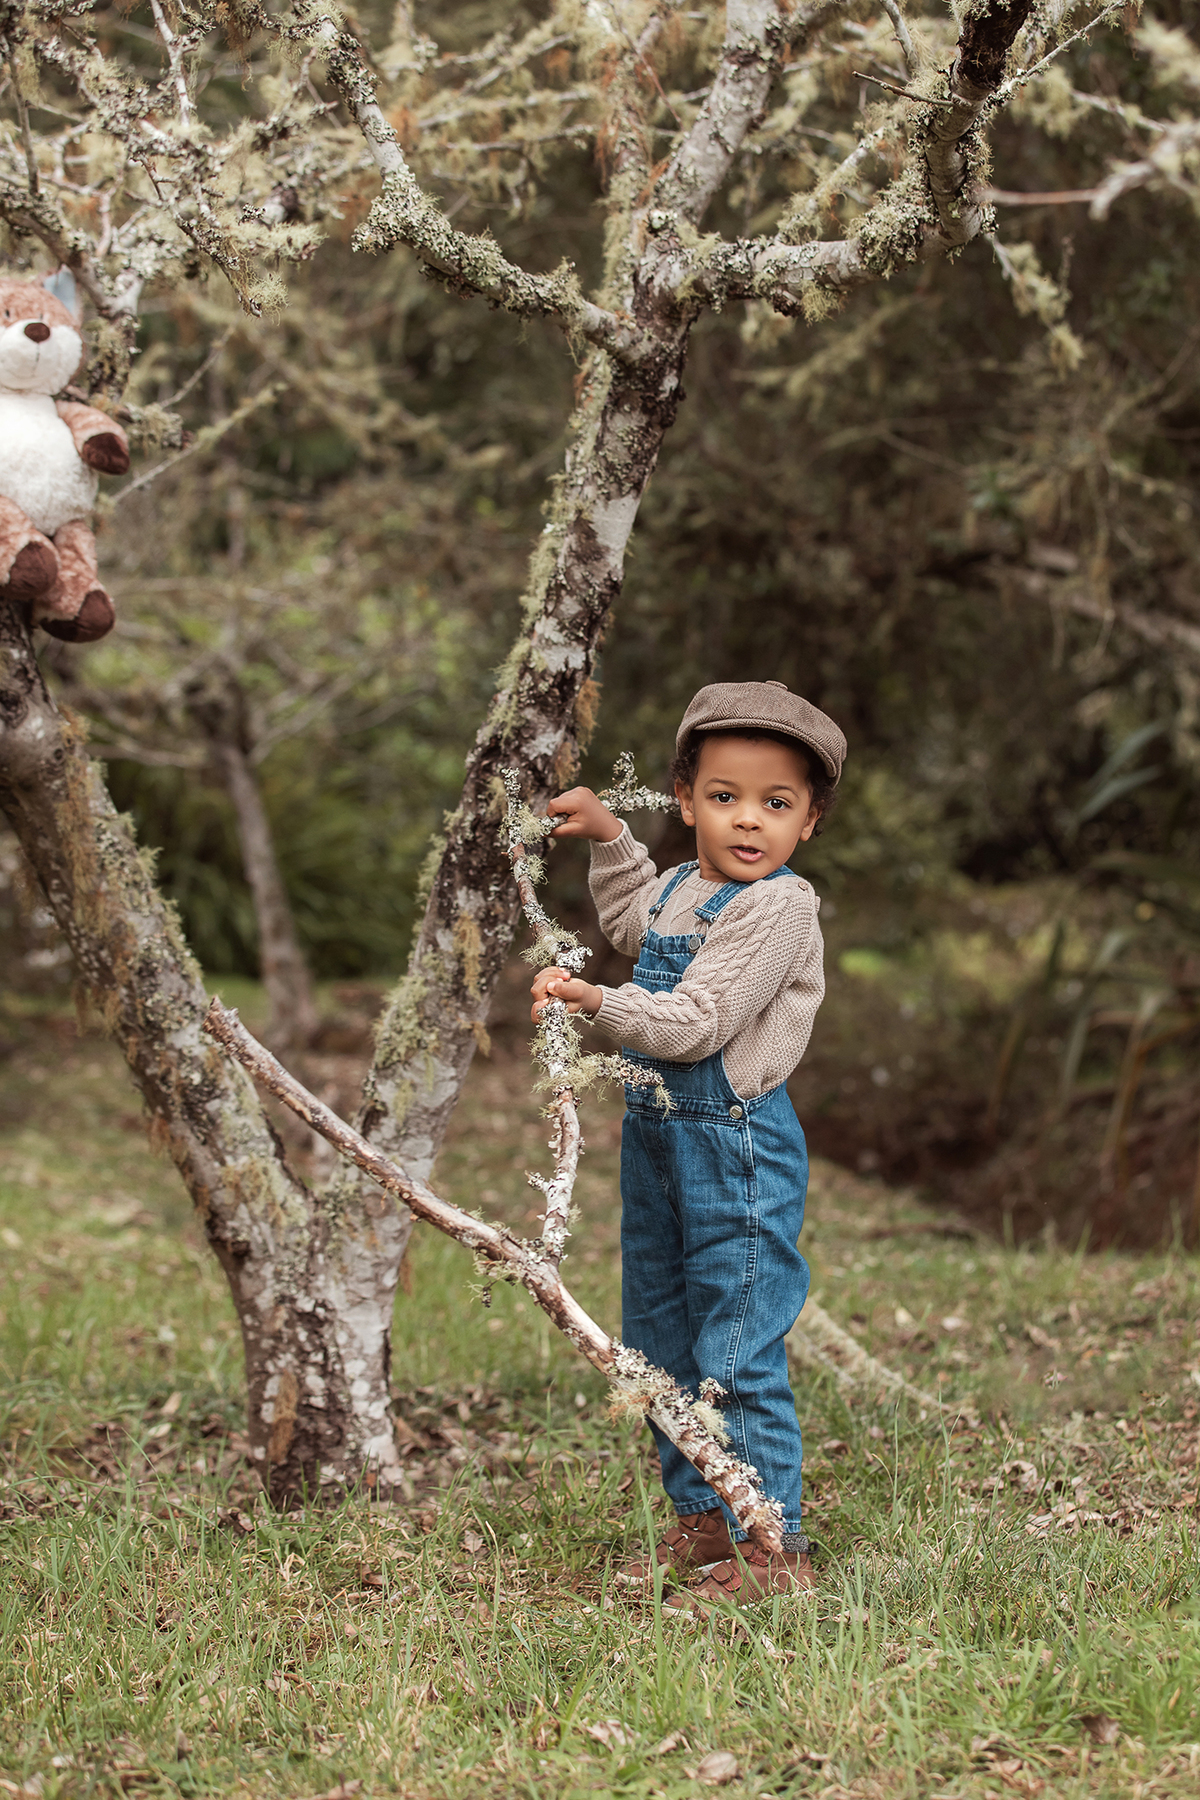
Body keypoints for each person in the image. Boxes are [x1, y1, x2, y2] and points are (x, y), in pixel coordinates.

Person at [529, 680, 846, 1608]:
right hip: (658, 1139)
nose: (749, 822)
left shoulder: (781, 908)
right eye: (725, 797)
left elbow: (699, 1020)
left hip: (736, 1145)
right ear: (686, 800)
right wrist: (609, 838)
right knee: (659, 1334)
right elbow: (632, 924)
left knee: (736, 1338)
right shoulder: (682, 885)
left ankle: (769, 1543)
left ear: (810, 822)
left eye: (776, 805)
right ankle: (704, 1520)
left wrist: (596, 1003)